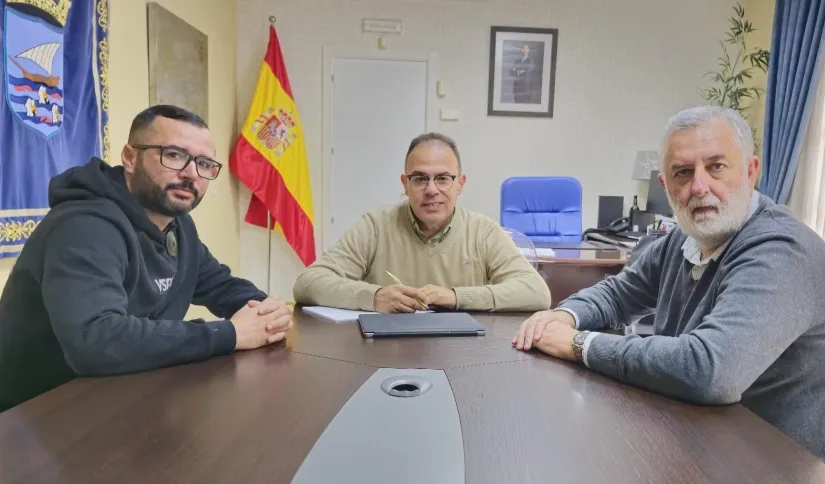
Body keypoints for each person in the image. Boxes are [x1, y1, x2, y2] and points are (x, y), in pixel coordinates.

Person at [513, 105, 825, 482]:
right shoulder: (685, 237)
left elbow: (711, 370)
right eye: (683, 172)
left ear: (750, 172)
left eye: (716, 167)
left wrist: (578, 344)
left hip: (795, 468)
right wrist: (565, 316)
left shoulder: (781, 251)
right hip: (714, 442)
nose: (699, 187)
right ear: (666, 185)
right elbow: (618, 294)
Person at [0, 105, 293, 412]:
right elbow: (96, 340)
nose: (191, 173)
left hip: (123, 397)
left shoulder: (176, 225)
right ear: (130, 157)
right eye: (174, 155)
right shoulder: (84, 226)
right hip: (37, 417)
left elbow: (219, 284)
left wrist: (266, 312)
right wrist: (227, 334)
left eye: (204, 163)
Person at [293, 133, 551, 313]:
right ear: (405, 185)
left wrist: (455, 297)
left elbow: (536, 293)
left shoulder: (483, 232)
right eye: (419, 179)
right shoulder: (375, 226)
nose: (431, 190)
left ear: (460, 184)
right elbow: (308, 283)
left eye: (443, 178)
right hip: (386, 352)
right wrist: (373, 297)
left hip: (463, 353)